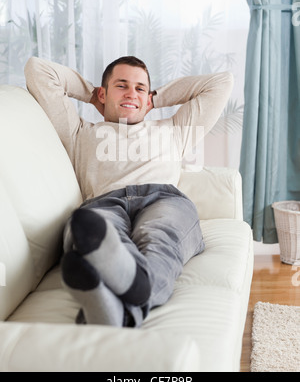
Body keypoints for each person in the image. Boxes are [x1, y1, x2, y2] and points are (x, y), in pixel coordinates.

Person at [25, 55, 233, 328]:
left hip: (163, 199)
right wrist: (92, 96)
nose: (131, 93)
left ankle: (123, 295)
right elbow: (38, 70)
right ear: (104, 93)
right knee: (93, 230)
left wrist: (154, 99)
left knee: (158, 237)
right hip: (104, 204)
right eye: (121, 85)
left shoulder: (175, 130)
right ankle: (127, 295)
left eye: (140, 88)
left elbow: (221, 82)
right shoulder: (78, 132)